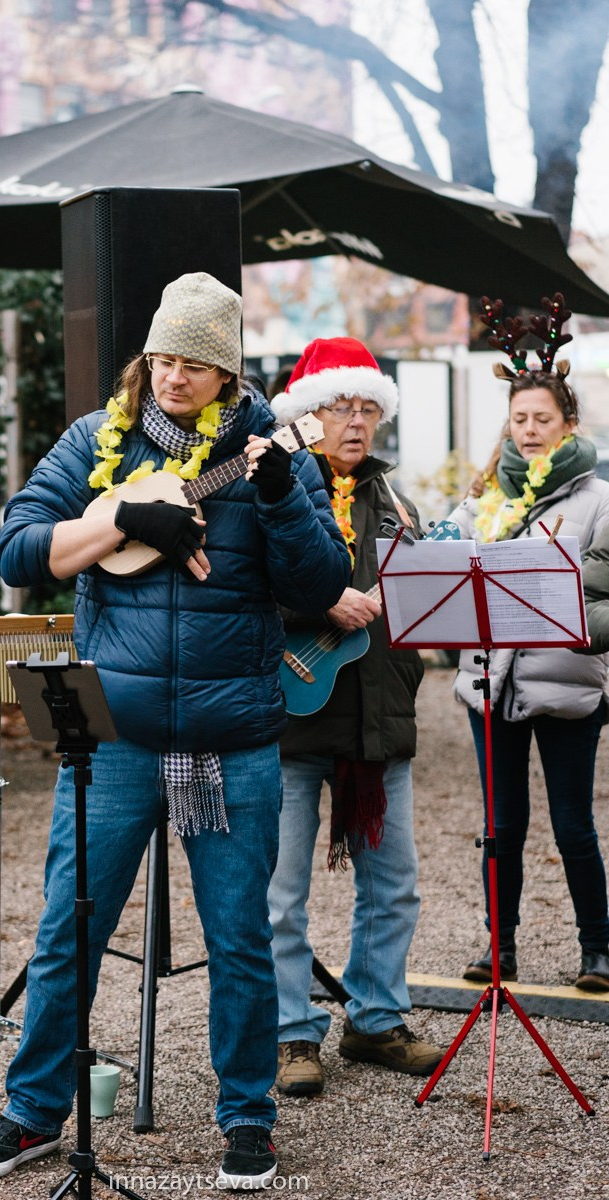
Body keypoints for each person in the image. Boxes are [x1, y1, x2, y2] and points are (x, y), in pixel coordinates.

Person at [0, 272, 349, 1187]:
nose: (175, 378)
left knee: (239, 935)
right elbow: (18, 549)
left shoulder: (262, 453)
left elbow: (323, 585)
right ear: (146, 361)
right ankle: (32, 1112)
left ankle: (247, 1116)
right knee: (68, 931)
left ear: (227, 376)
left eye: (196, 365)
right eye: (164, 360)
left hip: (232, 738)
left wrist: (287, 494)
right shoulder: (96, 441)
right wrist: (125, 513)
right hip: (116, 741)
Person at [265, 337, 445, 1096]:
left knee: (395, 882)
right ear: (308, 413)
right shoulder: (269, 490)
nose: (357, 421)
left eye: (370, 407)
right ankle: (289, 1035)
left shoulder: (400, 503)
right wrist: (317, 601)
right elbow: (242, 592)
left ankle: (375, 1020)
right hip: (290, 716)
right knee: (278, 891)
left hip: (375, 721)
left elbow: (424, 610)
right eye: (342, 405)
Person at [446, 307, 609, 992]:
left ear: (567, 425)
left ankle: (598, 951)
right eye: (520, 421)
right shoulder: (484, 498)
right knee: (499, 825)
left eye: (543, 420)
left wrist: (557, 605)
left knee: (573, 823)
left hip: (567, 683)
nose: (531, 431)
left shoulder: (599, 499)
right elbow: (443, 569)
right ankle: (498, 945)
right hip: (492, 682)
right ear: (507, 425)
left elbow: (602, 593)